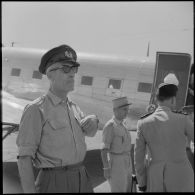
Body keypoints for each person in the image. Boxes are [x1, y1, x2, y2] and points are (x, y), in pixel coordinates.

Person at [16, 44, 99, 193]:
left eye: (74, 68)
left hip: (82, 177)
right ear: (50, 74)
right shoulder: (36, 109)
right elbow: (24, 159)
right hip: (54, 182)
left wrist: (95, 120)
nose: (72, 74)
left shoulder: (74, 108)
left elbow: (90, 132)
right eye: (66, 68)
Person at [134, 81, 194, 192]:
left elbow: (139, 158)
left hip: (155, 178)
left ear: (157, 99)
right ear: (172, 99)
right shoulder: (183, 119)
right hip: (181, 176)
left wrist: (141, 182)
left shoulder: (143, 123)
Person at [101, 97, 133, 192]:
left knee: (127, 188)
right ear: (115, 110)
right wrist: (106, 168)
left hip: (127, 161)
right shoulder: (110, 126)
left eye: (127, 109)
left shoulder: (124, 124)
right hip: (116, 163)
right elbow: (104, 150)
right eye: (124, 109)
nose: (127, 112)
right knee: (119, 189)